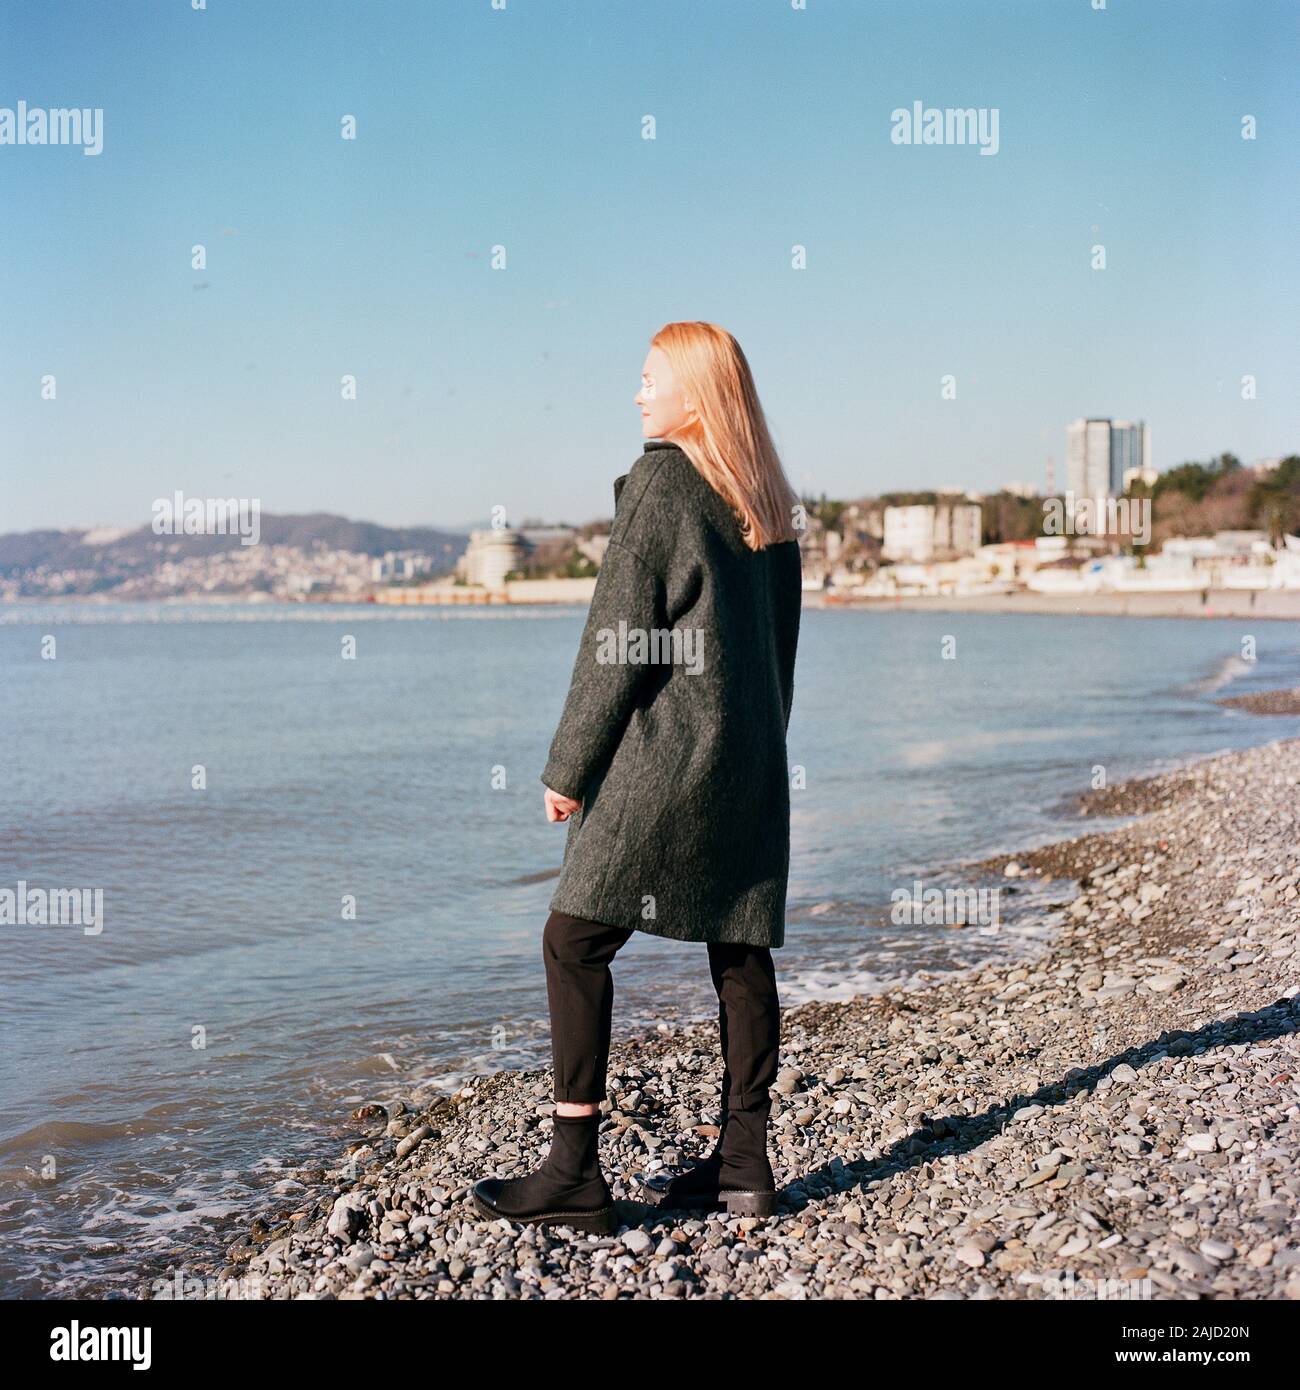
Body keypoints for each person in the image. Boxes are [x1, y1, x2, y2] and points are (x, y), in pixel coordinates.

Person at [472, 321, 802, 1233]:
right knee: (739, 947)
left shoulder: (662, 481)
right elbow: (781, 656)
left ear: (694, 393)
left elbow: (615, 643)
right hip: (750, 761)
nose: (637, 393)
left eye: (650, 377)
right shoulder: (770, 502)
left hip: (667, 761)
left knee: (573, 941)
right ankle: (745, 1165)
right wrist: (760, 749)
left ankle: (574, 1171)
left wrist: (569, 767)